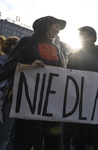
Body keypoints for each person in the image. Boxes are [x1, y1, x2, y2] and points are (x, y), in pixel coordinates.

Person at [1, 16, 66, 150]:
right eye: (56, 27)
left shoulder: (56, 48)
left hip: (51, 102)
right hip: (28, 100)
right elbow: (9, 65)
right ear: (46, 26)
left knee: (53, 138)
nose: (58, 31)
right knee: (25, 138)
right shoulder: (27, 41)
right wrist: (29, 66)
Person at [67, 26, 98, 150]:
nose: (83, 38)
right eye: (81, 35)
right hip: (80, 98)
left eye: (86, 35)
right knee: (79, 132)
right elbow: (68, 73)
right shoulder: (75, 55)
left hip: (97, 97)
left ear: (92, 37)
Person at [0, 36, 19, 150]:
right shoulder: (3, 60)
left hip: (13, 98)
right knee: (6, 133)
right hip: (6, 98)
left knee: (11, 132)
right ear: (13, 47)